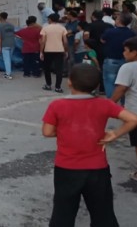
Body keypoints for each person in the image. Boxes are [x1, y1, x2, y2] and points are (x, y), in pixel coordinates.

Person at [42, 63, 137, 227]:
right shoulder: (105, 104)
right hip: (97, 169)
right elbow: (133, 119)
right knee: (103, 213)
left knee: (63, 212)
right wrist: (115, 134)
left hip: (66, 168)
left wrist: (66, 131)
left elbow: (47, 132)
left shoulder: (57, 105)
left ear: (69, 82)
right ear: (97, 84)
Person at [109, 37, 137, 181]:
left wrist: (108, 106)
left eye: (126, 51)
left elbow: (121, 89)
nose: (123, 53)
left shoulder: (128, 67)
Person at [101, 12, 136, 103]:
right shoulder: (132, 33)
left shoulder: (110, 31)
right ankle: (123, 102)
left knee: (109, 81)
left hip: (111, 59)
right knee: (124, 82)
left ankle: (111, 102)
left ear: (119, 21)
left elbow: (102, 40)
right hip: (126, 60)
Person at [85, 10, 114, 93]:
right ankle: (103, 88)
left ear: (93, 16)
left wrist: (87, 43)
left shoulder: (90, 25)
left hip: (93, 50)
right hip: (105, 49)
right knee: (104, 69)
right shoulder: (109, 25)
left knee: (93, 69)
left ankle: (93, 87)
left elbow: (86, 34)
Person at [40, 13, 68, 93]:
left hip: (48, 51)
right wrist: (66, 51)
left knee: (47, 68)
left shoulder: (45, 28)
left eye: (48, 19)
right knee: (59, 69)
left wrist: (41, 52)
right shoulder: (62, 28)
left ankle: (48, 85)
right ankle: (58, 87)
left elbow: (43, 41)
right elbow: (65, 41)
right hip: (59, 50)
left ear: (50, 19)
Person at [0, 12, 16, 79]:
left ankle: (8, 74)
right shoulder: (11, 25)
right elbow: (13, 34)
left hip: (5, 44)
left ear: (0, 17)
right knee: (9, 59)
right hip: (12, 44)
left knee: (6, 60)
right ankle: (8, 72)